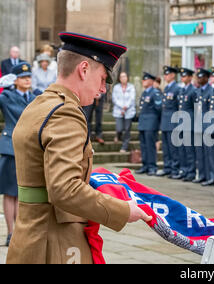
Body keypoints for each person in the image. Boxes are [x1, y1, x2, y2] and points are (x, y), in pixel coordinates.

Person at [7, 32, 151, 264]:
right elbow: (64, 189)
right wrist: (123, 210)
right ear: (84, 70)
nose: (103, 89)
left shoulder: (39, 104)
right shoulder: (66, 112)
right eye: (103, 78)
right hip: (56, 243)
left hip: (30, 237)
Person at [0, 63, 36, 246]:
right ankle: (10, 233)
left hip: (30, 149)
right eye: (23, 77)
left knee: (25, 192)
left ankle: (22, 232)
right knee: (9, 193)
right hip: (10, 148)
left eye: (29, 76)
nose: (27, 79)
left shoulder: (37, 96)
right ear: (15, 80)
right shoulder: (6, 96)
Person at [157, 66, 181, 179]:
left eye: (167, 74)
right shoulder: (166, 88)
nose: (165, 76)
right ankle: (167, 167)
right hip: (165, 121)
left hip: (173, 121)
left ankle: (175, 169)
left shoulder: (177, 88)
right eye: (165, 74)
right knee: (166, 147)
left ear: (172, 75)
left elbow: (178, 108)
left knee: (173, 148)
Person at [136, 72, 162, 176]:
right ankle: (145, 165)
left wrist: (157, 122)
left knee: (150, 146)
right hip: (143, 122)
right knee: (143, 145)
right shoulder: (144, 93)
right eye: (143, 80)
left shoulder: (155, 93)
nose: (144, 81)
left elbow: (159, 108)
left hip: (151, 123)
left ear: (151, 81)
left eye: (146, 80)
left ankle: (152, 167)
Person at [192, 68, 213, 184]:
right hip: (198, 125)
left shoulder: (210, 91)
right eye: (198, 77)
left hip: (208, 126)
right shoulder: (198, 91)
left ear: (206, 78)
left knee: (208, 153)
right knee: (199, 153)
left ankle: (210, 176)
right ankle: (202, 175)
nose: (199, 79)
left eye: (201, 77)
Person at [176, 68, 197, 181]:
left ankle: (191, 172)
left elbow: (196, 108)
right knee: (182, 149)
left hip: (189, 123)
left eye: (185, 76)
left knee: (189, 150)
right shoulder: (181, 90)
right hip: (181, 122)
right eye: (182, 76)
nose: (183, 78)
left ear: (190, 77)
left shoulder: (193, 90)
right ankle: (183, 170)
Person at [112, 71, 136, 153]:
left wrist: (126, 107)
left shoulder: (131, 87)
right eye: (122, 77)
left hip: (129, 111)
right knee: (119, 128)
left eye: (125, 76)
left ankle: (124, 147)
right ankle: (118, 135)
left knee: (127, 129)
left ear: (127, 78)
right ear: (119, 79)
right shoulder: (116, 87)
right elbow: (114, 99)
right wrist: (122, 107)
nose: (123, 78)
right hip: (119, 110)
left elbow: (132, 99)